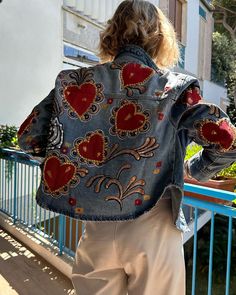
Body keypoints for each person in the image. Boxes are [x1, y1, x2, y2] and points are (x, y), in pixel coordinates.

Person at [17, 1, 236, 294]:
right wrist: (194, 168)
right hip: (154, 226)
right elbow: (227, 140)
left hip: (96, 227)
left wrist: (70, 165)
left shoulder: (75, 82)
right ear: (160, 39)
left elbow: (29, 136)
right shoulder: (174, 88)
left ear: (112, 35)